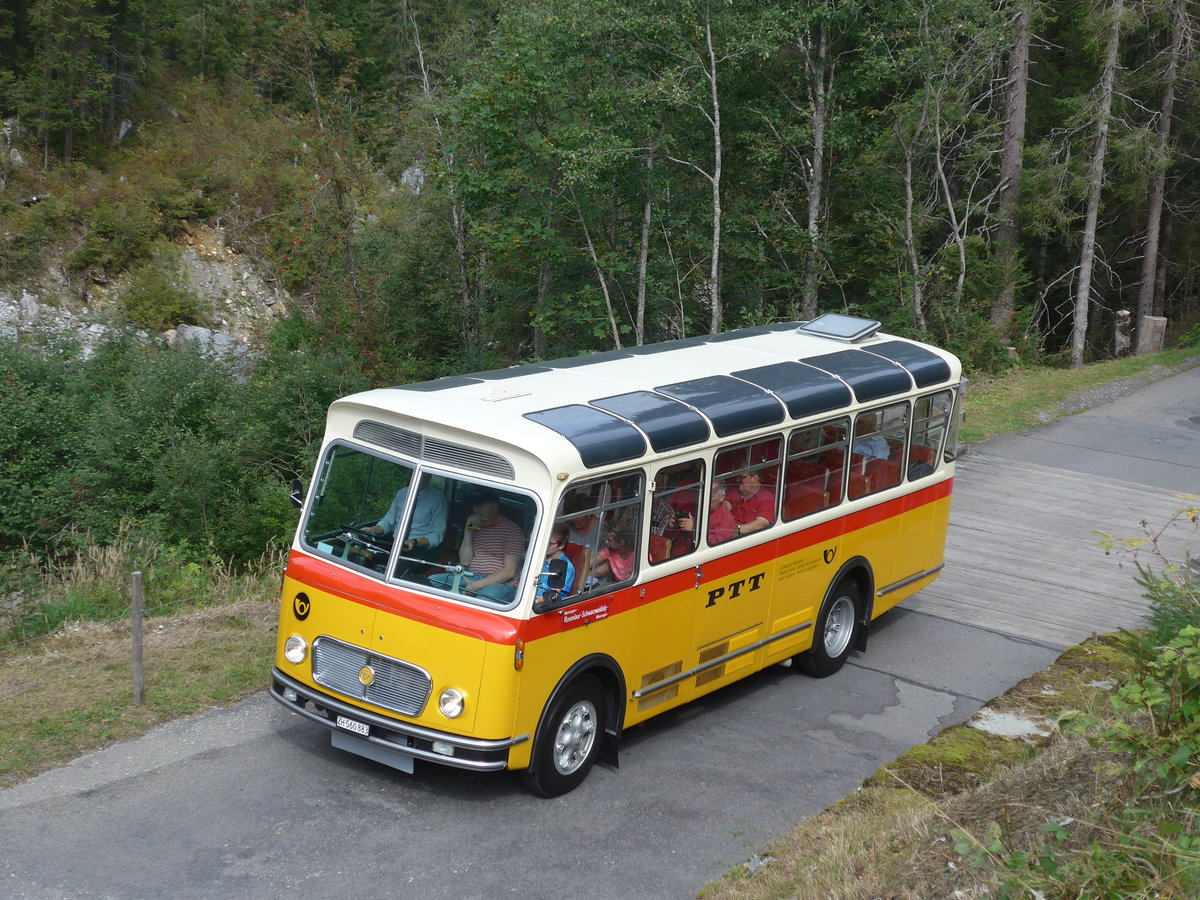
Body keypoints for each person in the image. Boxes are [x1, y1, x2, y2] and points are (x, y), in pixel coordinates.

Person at [431, 489, 525, 602]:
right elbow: (465, 561)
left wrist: (477, 585)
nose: (476, 510)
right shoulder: (475, 526)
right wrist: (468, 530)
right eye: (475, 505)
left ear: (495, 507)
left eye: (480, 505)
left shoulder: (512, 530)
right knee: (433, 581)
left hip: (501, 583)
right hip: (472, 576)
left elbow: (509, 571)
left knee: (483, 597)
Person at [363, 478, 448, 557]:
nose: (412, 474)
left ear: (429, 476)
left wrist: (415, 542)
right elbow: (389, 520)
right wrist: (372, 530)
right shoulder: (402, 493)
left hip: (419, 550)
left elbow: (437, 534)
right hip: (393, 543)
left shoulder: (438, 499)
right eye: (411, 470)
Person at [677, 481, 737, 545]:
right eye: (703, 493)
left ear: (721, 497)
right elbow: (669, 536)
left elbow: (714, 545)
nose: (705, 498)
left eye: (711, 495)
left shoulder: (726, 519)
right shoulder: (689, 507)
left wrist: (696, 528)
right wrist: (673, 523)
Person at [724, 471, 776, 537]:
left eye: (742, 477)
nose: (737, 480)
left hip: (751, 538)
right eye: (737, 477)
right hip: (725, 536)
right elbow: (724, 507)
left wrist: (737, 529)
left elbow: (760, 524)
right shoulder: (733, 491)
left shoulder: (766, 497)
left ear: (754, 478)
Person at [536, 523, 576, 600]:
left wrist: (534, 600)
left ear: (561, 546)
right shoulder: (540, 557)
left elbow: (553, 596)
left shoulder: (565, 566)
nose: (545, 545)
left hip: (545, 603)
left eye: (550, 543)